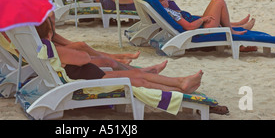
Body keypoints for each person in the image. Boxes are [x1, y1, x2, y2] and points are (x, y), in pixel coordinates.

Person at [36, 19, 205, 93]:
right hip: (88, 82)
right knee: (138, 80)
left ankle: (180, 83)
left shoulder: (42, 47)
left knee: (137, 75)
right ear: (50, 32)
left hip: (90, 77)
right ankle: (180, 89)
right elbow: (83, 59)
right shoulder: (53, 49)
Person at [148, 0, 253, 35]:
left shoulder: (166, 11)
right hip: (201, 30)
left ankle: (238, 25)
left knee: (214, 2)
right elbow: (189, 27)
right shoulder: (170, 12)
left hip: (200, 25)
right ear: (161, 2)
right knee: (219, 2)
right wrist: (202, 19)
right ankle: (232, 31)